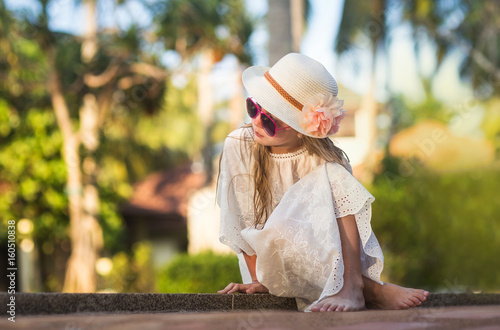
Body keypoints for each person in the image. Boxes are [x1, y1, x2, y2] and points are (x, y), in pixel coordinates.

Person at [216, 53, 429, 312]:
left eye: (270, 121)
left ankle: (352, 287)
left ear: (300, 129)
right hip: (267, 263)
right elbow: (242, 219)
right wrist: (260, 280)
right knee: (283, 224)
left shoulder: (327, 161)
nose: (256, 122)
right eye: (253, 107)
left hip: (327, 260)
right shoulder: (240, 144)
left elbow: (337, 240)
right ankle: (372, 290)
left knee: (334, 174)